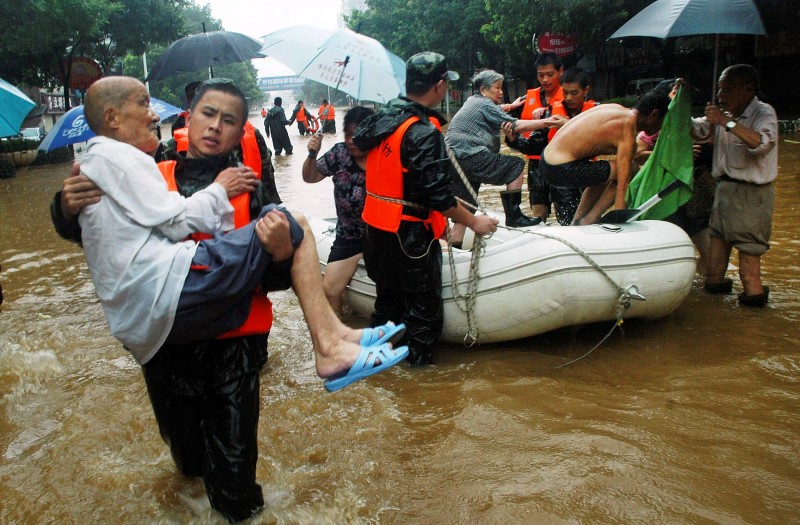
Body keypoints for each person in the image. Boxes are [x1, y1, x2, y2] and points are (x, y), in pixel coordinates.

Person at [50, 77, 407, 522]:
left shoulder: (253, 184)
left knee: (235, 481)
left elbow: (286, 268)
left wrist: (277, 250)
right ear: (188, 116)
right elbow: (92, 234)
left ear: (243, 133)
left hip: (234, 349)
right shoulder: (145, 166)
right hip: (169, 352)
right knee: (189, 467)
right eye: (208, 114)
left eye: (230, 120)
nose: (216, 127)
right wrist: (64, 207)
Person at [353, 52, 499, 367]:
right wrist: (475, 222)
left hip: (376, 232)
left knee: (387, 303)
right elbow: (440, 198)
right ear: (440, 85)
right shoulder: (423, 133)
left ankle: (378, 370)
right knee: (422, 315)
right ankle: (420, 387)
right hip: (409, 238)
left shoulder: (379, 120)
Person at [691, 64, 778, 306]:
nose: (721, 96)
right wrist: (678, 99)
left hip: (752, 195)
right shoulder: (723, 114)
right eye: (720, 90)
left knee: (749, 273)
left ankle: (752, 328)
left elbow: (760, 143)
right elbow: (695, 128)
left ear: (748, 89)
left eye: (727, 90)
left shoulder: (763, 113)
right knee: (714, 269)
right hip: (723, 192)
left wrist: (725, 122)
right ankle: (720, 324)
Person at [445, 69, 565, 238]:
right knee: (515, 166)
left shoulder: (472, 102)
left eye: (502, 88)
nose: (501, 92)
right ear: (483, 90)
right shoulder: (484, 104)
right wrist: (548, 122)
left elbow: (498, 110)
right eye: (497, 88)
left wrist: (511, 106)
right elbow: (516, 126)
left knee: (466, 208)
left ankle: (456, 247)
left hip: (452, 160)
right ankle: (514, 216)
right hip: (470, 154)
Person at [539, 90, 670, 225]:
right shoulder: (627, 125)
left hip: (546, 163)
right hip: (560, 169)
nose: (660, 129)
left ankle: (577, 221)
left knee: (605, 172)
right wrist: (620, 217)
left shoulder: (618, 109)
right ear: (654, 115)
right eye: (662, 123)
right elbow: (623, 182)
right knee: (631, 168)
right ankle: (591, 219)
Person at [302, 106, 374, 315]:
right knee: (329, 290)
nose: (351, 141)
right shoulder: (339, 153)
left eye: (357, 135)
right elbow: (310, 177)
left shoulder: (385, 155)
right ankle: (337, 334)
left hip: (382, 234)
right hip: (349, 237)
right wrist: (311, 154)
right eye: (348, 135)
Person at [506, 67, 596, 225]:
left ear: (585, 90)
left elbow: (602, 142)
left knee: (584, 220)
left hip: (585, 174)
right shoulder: (551, 114)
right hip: (558, 177)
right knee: (555, 216)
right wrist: (512, 140)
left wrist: (568, 125)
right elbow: (533, 146)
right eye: (565, 92)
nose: (568, 98)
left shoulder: (596, 112)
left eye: (574, 93)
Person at [517, 52, 565, 222]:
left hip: (563, 161)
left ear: (561, 71)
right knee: (538, 212)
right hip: (536, 162)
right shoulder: (526, 99)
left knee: (566, 211)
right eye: (540, 75)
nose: (545, 79)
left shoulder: (572, 96)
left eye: (550, 74)